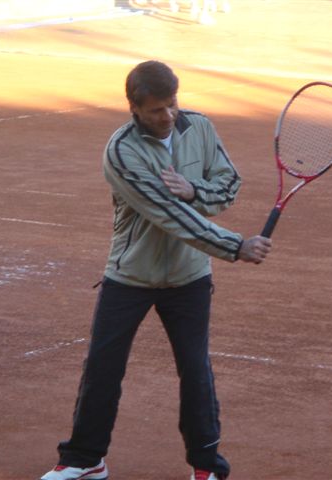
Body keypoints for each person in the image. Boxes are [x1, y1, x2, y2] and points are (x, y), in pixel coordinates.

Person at [40, 60, 271, 480]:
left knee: (195, 370)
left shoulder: (199, 127)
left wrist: (195, 190)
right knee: (103, 367)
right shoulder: (121, 152)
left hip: (189, 277)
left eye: (172, 104)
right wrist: (236, 246)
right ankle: (85, 460)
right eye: (156, 110)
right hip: (130, 276)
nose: (168, 116)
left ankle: (206, 468)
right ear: (134, 108)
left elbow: (229, 184)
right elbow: (168, 214)